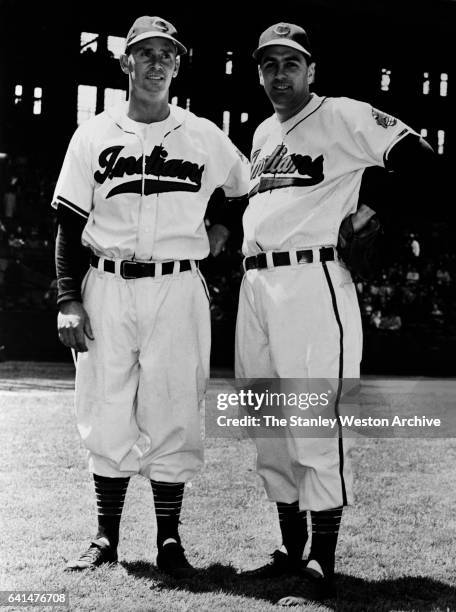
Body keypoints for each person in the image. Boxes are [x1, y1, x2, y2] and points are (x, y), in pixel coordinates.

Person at [235, 22, 434, 604]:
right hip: (256, 283)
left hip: (313, 279)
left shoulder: (343, 113)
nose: (278, 74)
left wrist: (370, 211)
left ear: (310, 69)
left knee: (312, 417)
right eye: (268, 64)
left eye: (289, 63)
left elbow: (420, 160)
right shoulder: (260, 131)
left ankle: (322, 558)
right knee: (266, 420)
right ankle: (290, 551)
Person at [53, 16, 249, 577]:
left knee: (175, 407)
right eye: (146, 53)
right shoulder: (92, 134)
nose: (157, 62)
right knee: (105, 405)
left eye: (167, 54)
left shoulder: (204, 133)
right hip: (107, 285)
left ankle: (168, 541)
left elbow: (246, 186)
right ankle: (105, 537)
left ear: (178, 65)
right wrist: (69, 298)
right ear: (126, 63)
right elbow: (68, 224)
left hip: (178, 285)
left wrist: (224, 229)